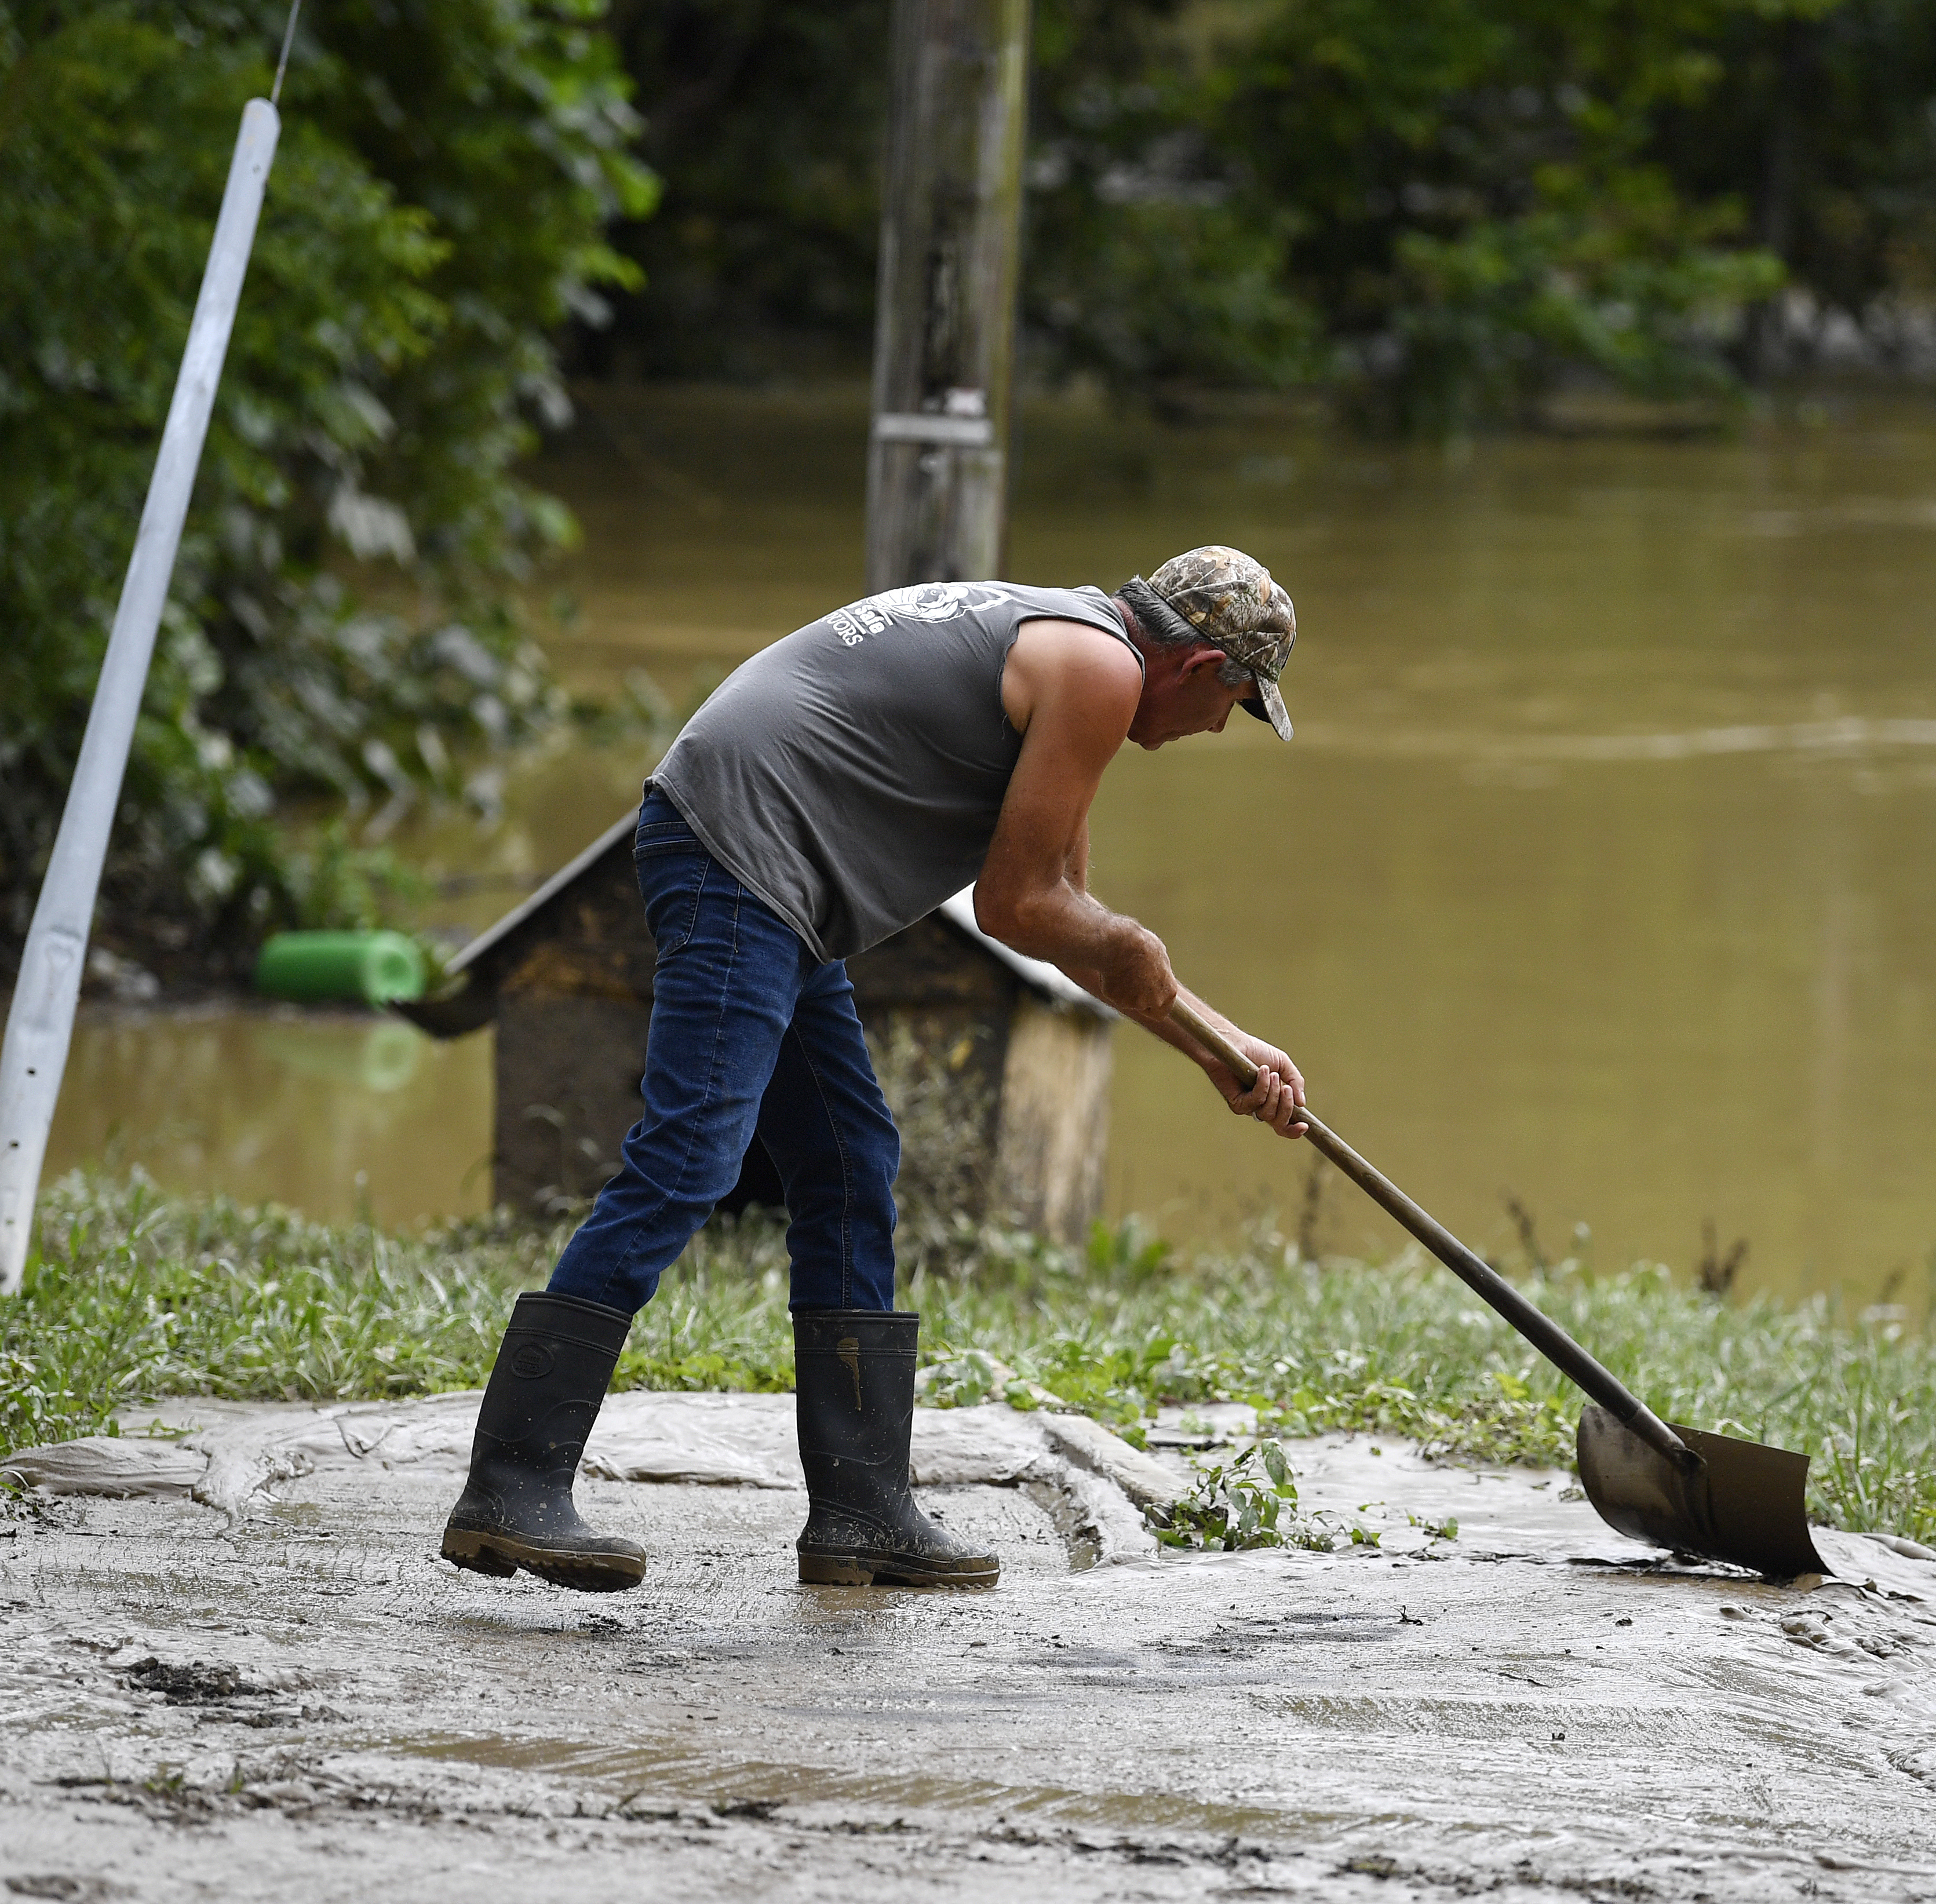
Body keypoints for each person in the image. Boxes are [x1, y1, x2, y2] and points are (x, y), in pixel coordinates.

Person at [437, 547, 1310, 1594]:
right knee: (690, 1156)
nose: (1220, 729)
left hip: (771, 870)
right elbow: (1018, 907)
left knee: (851, 1160)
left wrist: (1223, 1047)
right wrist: (1152, 963)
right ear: (1202, 664)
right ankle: (511, 1482)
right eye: (1238, 704)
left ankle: (862, 1514)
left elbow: (1065, 922)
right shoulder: (1100, 669)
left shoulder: (1079, 644)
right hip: (741, 852)